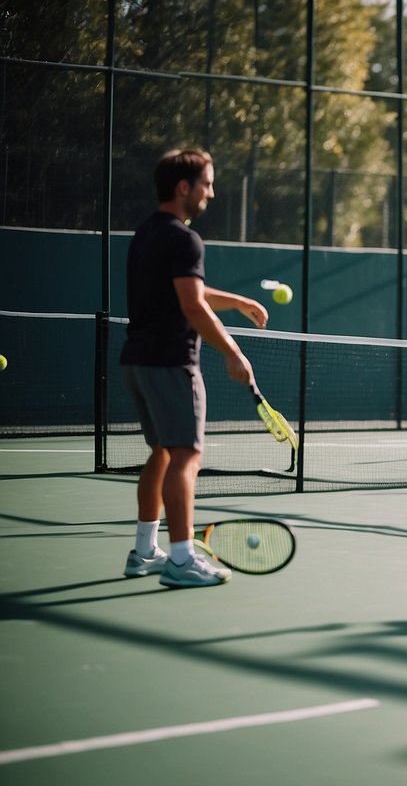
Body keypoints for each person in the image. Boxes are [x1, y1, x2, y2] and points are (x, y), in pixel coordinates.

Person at [120, 148, 268, 588]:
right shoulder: (186, 239)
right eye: (206, 183)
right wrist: (232, 352)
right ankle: (182, 560)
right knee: (186, 455)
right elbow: (192, 305)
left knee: (163, 453)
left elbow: (188, 292)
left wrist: (238, 301)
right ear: (183, 188)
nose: (211, 192)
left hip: (137, 360)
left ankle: (145, 551)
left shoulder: (147, 233)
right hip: (170, 361)